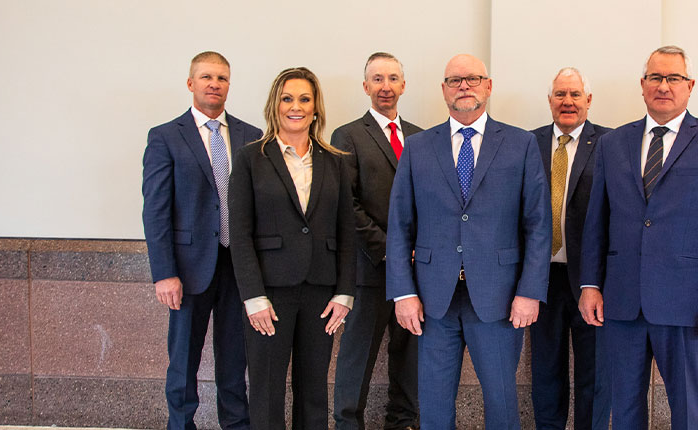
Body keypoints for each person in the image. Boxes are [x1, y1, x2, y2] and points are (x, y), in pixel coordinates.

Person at [579, 46, 698, 429]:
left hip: (689, 304)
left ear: (690, 86)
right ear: (642, 85)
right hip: (621, 303)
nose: (663, 86)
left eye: (673, 78)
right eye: (655, 77)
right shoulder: (612, 144)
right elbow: (596, 223)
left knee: (689, 411)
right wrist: (590, 284)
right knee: (624, 410)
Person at [386, 54, 551, 430]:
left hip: (500, 298)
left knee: (502, 403)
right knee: (434, 406)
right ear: (443, 90)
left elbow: (538, 226)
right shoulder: (417, 147)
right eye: (455, 80)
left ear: (488, 86)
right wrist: (403, 293)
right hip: (432, 302)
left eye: (473, 79)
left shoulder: (520, 144)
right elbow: (400, 226)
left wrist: (530, 292)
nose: (465, 86)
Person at [227, 67, 354, 430]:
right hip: (269, 294)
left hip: (321, 292)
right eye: (287, 98)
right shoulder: (251, 158)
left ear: (316, 108)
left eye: (304, 99)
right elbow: (240, 233)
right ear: (274, 105)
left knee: (314, 390)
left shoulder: (336, 161)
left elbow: (347, 231)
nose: (295, 107)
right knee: (266, 390)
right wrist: (253, 296)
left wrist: (345, 292)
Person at [142, 51, 261, 430]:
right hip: (188, 270)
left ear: (229, 84)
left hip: (237, 266)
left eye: (222, 78)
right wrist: (164, 273)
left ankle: (236, 425)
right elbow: (156, 211)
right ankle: (180, 425)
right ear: (191, 83)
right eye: (207, 77)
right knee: (183, 360)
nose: (215, 84)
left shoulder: (251, 136)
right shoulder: (164, 137)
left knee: (234, 359)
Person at [331, 52, 423, 430]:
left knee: (410, 357)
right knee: (357, 356)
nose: (386, 86)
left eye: (393, 78)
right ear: (366, 86)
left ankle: (402, 422)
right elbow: (346, 205)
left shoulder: (421, 137)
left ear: (404, 84)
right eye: (377, 79)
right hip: (370, 271)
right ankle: (347, 424)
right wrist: (390, 251)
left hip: (417, 272)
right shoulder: (348, 135)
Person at [529, 67, 612, 430]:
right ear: (549, 101)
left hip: (591, 279)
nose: (567, 102)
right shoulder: (526, 144)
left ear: (588, 100)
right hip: (540, 279)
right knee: (545, 370)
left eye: (575, 94)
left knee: (593, 371)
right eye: (560, 95)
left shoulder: (611, 144)